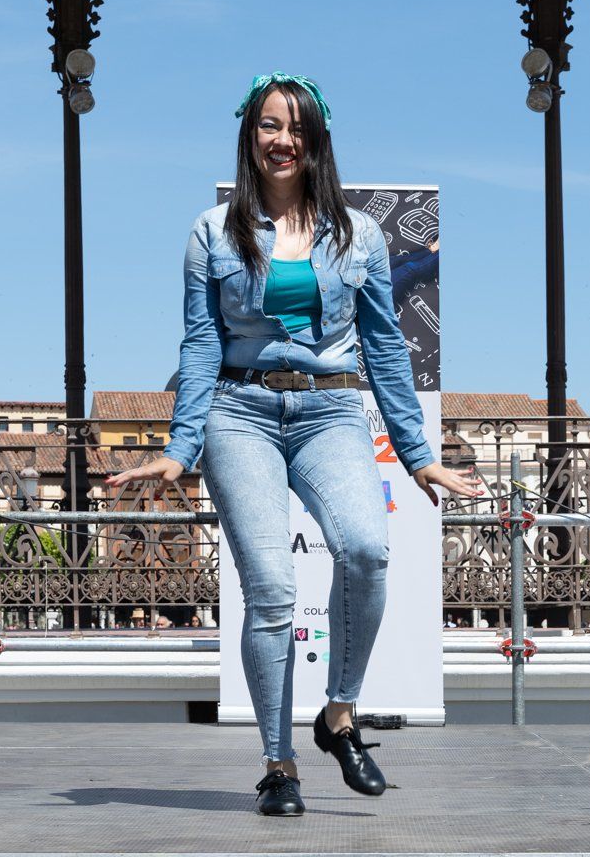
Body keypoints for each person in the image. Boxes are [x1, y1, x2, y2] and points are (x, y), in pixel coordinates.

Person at [110, 73, 483, 817]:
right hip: (238, 411)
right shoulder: (211, 232)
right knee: (273, 591)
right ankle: (278, 766)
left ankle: (338, 715)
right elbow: (200, 343)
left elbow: (385, 345)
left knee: (366, 551)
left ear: (318, 140)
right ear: (250, 135)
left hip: (329, 410)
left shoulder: (360, 234)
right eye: (269, 125)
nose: (284, 140)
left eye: (298, 127)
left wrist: (418, 455)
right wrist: (181, 446)